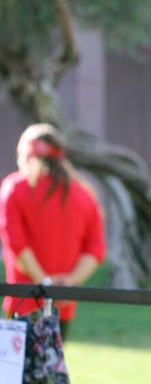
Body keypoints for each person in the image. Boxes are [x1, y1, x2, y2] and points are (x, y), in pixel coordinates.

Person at [0, 124, 105, 341]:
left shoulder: (14, 187)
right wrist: (67, 285)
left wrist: (44, 284)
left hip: (23, 302)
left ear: (27, 154)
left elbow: (16, 244)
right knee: (51, 373)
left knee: (15, 373)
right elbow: (96, 249)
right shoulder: (85, 194)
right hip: (63, 306)